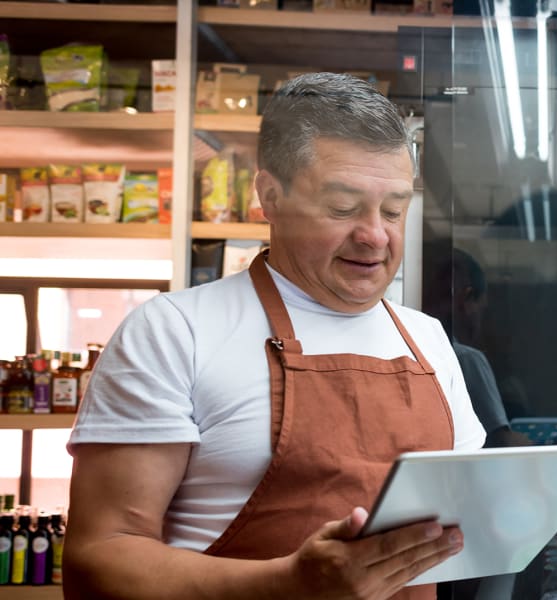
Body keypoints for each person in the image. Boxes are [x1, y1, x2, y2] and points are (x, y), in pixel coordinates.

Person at [63, 73, 487, 600]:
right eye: (342, 208)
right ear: (270, 196)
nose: (376, 235)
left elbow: (464, 538)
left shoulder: (428, 341)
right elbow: (97, 560)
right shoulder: (174, 331)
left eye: (394, 210)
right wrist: (287, 583)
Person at [426, 248, 531, 449]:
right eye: (483, 310)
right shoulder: (466, 359)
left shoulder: (411, 348)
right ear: (467, 299)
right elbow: (502, 442)